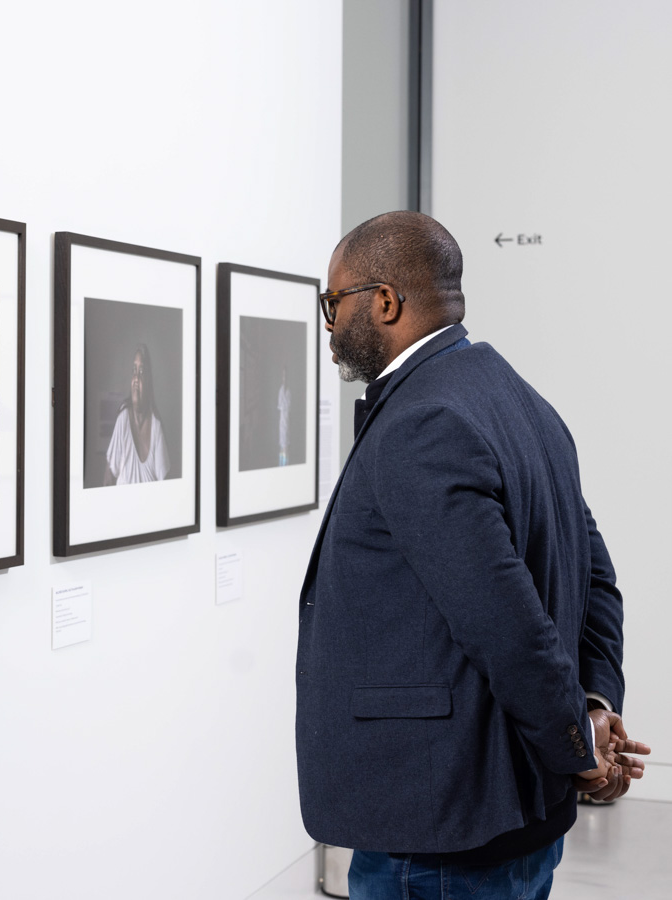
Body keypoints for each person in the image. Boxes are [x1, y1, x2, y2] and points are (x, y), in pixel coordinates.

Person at [298, 210, 649, 899]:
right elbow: (595, 578)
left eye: (332, 304)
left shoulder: (421, 422)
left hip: (438, 829)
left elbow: (506, 626)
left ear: (385, 301)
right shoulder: (520, 402)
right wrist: (592, 700)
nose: (329, 327)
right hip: (504, 818)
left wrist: (576, 749)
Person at [102, 343, 170, 485]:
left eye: (141, 372)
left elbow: (166, 485)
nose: (136, 379)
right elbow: (108, 478)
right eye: (134, 370)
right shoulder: (123, 420)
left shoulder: (156, 427)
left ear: (149, 380)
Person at [276, 366, 291, 466]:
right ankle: (282, 465)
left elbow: (288, 405)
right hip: (282, 420)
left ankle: (285, 464)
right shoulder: (281, 390)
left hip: (287, 420)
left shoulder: (288, 390)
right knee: (282, 444)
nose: (284, 378)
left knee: (286, 444)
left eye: (286, 376)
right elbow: (280, 405)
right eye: (283, 376)